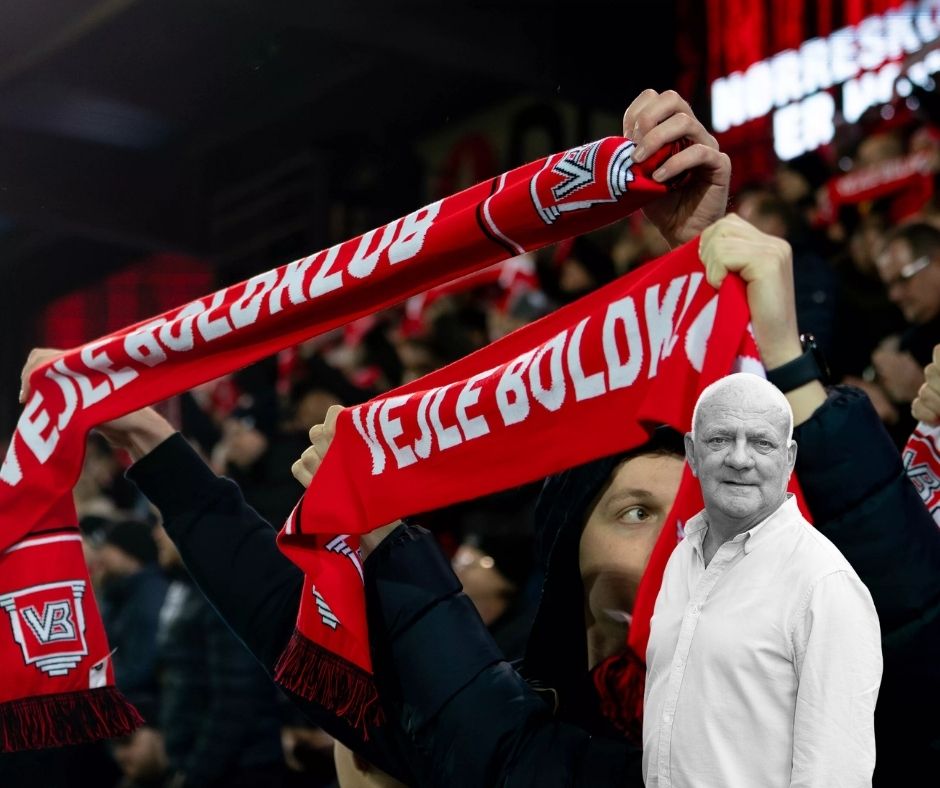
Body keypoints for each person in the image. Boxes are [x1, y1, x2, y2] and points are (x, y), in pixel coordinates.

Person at [643, 373, 882, 788]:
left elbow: (836, 774)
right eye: (719, 439)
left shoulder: (824, 583)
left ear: (789, 460)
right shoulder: (682, 558)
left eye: (762, 442)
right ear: (692, 453)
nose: (739, 458)